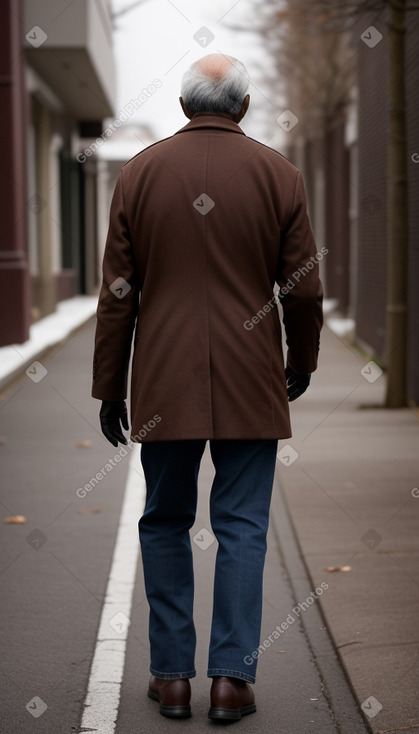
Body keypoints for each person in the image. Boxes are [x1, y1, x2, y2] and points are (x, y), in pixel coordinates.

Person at [92, 53, 323, 722]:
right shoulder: (278, 173)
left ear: (186, 105)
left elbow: (117, 293)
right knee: (243, 526)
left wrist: (111, 384)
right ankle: (231, 679)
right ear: (242, 106)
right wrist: (299, 359)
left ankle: (171, 679)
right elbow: (303, 287)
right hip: (253, 375)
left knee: (163, 520)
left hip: (163, 380)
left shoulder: (140, 173)